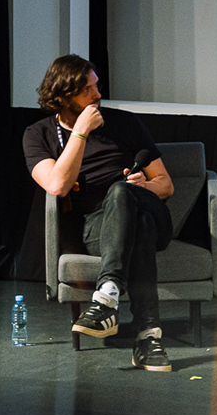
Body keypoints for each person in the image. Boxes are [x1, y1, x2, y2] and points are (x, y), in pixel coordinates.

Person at [23, 55, 177, 372]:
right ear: (64, 96)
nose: (97, 95)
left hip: (151, 210)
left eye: (97, 86)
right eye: (87, 90)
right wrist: (80, 132)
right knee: (139, 227)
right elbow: (57, 185)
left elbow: (166, 185)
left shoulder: (125, 124)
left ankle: (106, 297)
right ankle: (148, 339)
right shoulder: (38, 135)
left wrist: (143, 187)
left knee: (122, 192)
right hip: (98, 228)